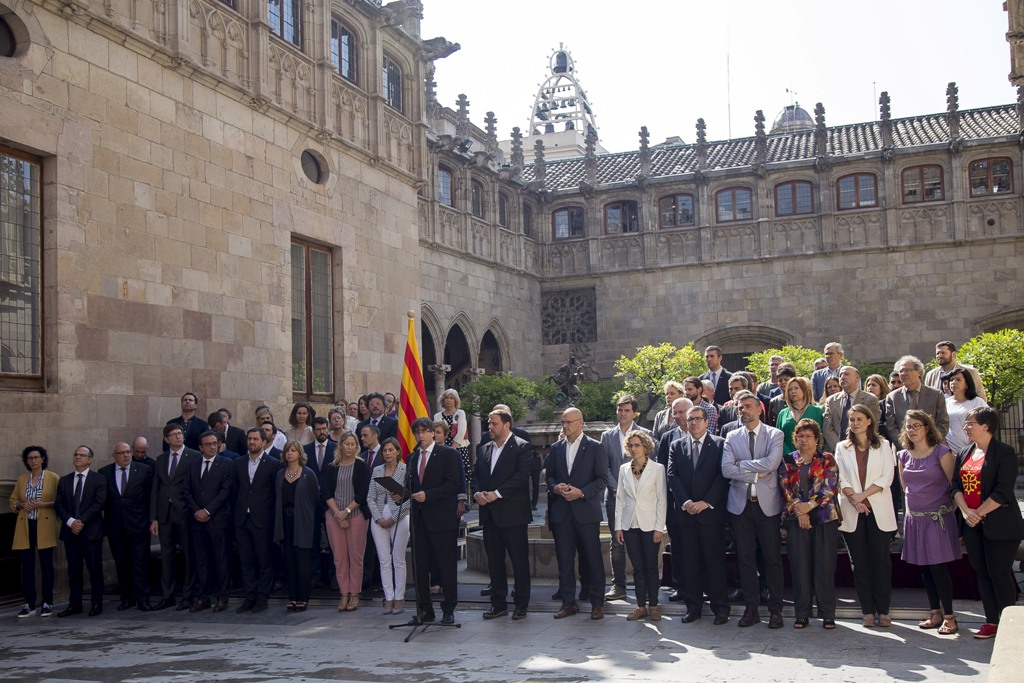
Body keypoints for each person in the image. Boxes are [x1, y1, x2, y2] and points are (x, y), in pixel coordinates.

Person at [951, 406, 1024, 639]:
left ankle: (1009, 623)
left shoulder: (1004, 452)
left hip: (1000, 524)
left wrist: (978, 513)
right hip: (972, 525)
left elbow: (1003, 491)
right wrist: (965, 512)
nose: (966, 427)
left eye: (970, 423)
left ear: (986, 426)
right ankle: (991, 621)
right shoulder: (964, 453)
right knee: (982, 573)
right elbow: (955, 487)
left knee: (999, 573)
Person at [721, 390, 785, 629]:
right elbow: (726, 469)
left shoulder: (775, 434)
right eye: (740, 407)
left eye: (748, 406)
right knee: (745, 560)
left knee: (772, 559)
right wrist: (758, 472)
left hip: (767, 507)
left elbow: (773, 463)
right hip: (740, 507)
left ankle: (776, 609)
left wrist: (742, 467)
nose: (743, 410)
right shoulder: (731, 436)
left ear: (759, 409)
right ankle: (751, 609)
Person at [897, 410, 961, 635]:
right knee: (925, 567)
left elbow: (954, 486)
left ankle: (950, 616)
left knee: (938, 567)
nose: (912, 430)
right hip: (915, 520)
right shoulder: (903, 455)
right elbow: (905, 487)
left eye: (916, 425)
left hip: (937, 520)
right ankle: (935, 612)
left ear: (927, 428)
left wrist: (946, 512)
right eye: (908, 426)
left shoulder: (942, 452)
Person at [835, 404, 897, 627]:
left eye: (859, 419)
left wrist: (863, 496)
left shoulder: (884, 446)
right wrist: (854, 499)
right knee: (859, 563)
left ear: (869, 421)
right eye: (852, 420)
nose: (855, 423)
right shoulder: (842, 447)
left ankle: (884, 610)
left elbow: (887, 477)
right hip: (853, 510)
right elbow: (841, 478)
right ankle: (867, 611)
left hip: (877, 508)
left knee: (881, 562)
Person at [666, 405, 729, 624]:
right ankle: (693, 608)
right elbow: (672, 476)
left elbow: (723, 476)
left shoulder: (720, 444)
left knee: (714, 562)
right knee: (689, 563)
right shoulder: (676, 445)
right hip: (686, 515)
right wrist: (686, 502)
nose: (693, 422)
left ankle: (720, 608)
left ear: (706, 421)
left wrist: (706, 502)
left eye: (698, 419)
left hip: (710, 514)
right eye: (690, 419)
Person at [546, 408, 608, 620]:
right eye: (563, 422)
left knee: (593, 558)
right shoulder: (555, 448)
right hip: (562, 513)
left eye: (569, 422)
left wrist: (581, 492)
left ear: (581, 423)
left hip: (586, 512)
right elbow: (550, 476)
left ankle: (597, 603)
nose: (565, 426)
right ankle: (568, 602)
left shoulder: (595, 447)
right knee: (564, 560)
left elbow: (602, 480)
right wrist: (555, 488)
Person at [474, 409, 535, 620]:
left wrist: (496, 494)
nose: (489, 427)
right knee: (494, 561)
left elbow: (521, 477)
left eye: (494, 424)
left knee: (519, 561)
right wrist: (477, 492)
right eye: (488, 423)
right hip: (490, 516)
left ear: (507, 425)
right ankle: (498, 604)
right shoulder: (483, 449)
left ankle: (521, 604)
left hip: (513, 515)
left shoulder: (521, 446)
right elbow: (476, 475)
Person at [779, 419, 840, 630]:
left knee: (824, 566)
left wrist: (809, 506)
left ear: (817, 439)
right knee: (800, 567)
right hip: (797, 520)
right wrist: (799, 510)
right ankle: (802, 614)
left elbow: (830, 486)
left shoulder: (827, 459)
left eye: (808, 436)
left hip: (824, 518)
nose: (804, 440)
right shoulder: (788, 460)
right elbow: (785, 487)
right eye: (800, 436)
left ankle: (827, 614)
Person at [406, 417, 462, 624]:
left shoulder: (448, 454)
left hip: (442, 519)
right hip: (419, 520)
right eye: (417, 432)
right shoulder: (412, 458)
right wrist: (401, 494)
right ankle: (424, 610)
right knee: (420, 566)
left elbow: (452, 483)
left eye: (424, 431)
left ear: (432, 433)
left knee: (446, 565)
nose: (420, 435)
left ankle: (448, 609)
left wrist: (427, 495)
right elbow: (411, 485)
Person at [600, 394, 652, 601]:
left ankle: (646, 586)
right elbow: (603, 466)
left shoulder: (646, 434)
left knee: (641, 541)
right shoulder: (607, 436)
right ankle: (618, 585)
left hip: (640, 498)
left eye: (627, 410)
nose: (622, 413)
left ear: (635, 413)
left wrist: (633, 489)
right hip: (614, 497)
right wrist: (617, 488)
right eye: (620, 410)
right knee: (617, 542)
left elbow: (650, 466)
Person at [615, 430, 667, 622]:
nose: (634, 448)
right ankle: (640, 606)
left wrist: (659, 527)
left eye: (637, 445)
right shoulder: (623, 469)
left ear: (646, 447)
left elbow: (662, 499)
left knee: (651, 566)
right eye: (631, 445)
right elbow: (620, 499)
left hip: (650, 524)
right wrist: (618, 527)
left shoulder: (657, 468)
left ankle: (653, 605)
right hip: (630, 524)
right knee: (637, 568)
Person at [183, 430, 235, 612]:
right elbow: (186, 491)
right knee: (201, 560)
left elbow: (225, 491)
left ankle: (223, 597)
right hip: (197, 520)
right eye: (208, 444)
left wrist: (208, 510)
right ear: (200, 447)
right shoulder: (192, 464)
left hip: (218, 520)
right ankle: (203, 597)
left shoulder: (227, 464)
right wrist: (196, 510)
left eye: (215, 443)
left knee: (221, 559)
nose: (212, 446)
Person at [150, 424, 200, 611]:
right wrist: (154, 517)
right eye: (174, 434)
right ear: (166, 439)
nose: (178, 437)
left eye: (180, 433)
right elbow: (156, 488)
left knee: (188, 555)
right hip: (165, 514)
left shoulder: (194, 456)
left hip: (185, 512)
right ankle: (167, 595)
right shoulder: (161, 459)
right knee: (166, 555)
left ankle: (188, 595)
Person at [100, 442, 154, 611]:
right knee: (121, 563)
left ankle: (142, 598)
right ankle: (126, 597)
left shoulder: (143, 470)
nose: (126, 455)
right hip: (116, 526)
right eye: (121, 453)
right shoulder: (104, 473)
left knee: (140, 563)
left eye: (128, 452)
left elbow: (150, 497)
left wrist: (151, 520)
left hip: (138, 525)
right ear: (114, 455)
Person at [55, 445, 108, 617]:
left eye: (82, 455)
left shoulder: (98, 479)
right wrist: (71, 522)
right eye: (76, 454)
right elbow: (59, 504)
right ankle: (74, 604)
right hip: (71, 533)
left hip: (91, 532)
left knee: (94, 569)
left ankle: (96, 603)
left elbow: (99, 504)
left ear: (90, 459)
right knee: (73, 571)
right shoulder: (64, 480)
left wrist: (81, 521)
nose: (77, 457)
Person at [321, 430, 371, 612]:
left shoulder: (361, 466)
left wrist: (347, 511)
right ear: (340, 445)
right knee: (339, 558)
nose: (349, 447)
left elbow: (363, 493)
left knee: (355, 556)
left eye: (353, 444)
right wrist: (337, 513)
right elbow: (326, 491)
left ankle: (355, 594)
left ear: (356, 447)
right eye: (346, 443)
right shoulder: (331, 466)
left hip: (356, 515)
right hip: (334, 516)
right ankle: (344, 593)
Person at [233, 427, 280, 614]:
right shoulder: (238, 463)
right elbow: (235, 491)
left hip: (263, 519)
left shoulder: (273, 464)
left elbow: (275, 494)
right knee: (246, 560)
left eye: (255, 439)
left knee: (263, 559)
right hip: (242, 518)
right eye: (249, 439)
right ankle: (249, 596)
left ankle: (263, 596)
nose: (251, 442)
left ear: (263, 442)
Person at [10, 446, 59, 618]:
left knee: (46, 565)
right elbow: (13, 501)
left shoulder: (53, 478)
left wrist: (42, 504)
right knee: (27, 566)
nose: (33, 461)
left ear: (43, 459)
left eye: (36, 457)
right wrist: (22, 505)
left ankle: (47, 602)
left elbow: (59, 501)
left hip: (44, 525)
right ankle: (29, 603)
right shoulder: (22, 479)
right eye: (30, 458)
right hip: (26, 525)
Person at [275, 440, 320, 612]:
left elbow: (315, 499)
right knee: (290, 561)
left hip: (303, 521)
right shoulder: (280, 474)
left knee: (303, 560)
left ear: (300, 453)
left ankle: (303, 597)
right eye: (287, 451)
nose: (290, 453)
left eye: (293, 450)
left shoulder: (308, 474)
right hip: (285, 521)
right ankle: (292, 596)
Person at [655, 396, 692, 601]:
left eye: (681, 412)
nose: (677, 416)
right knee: (677, 544)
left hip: (699, 501)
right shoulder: (667, 438)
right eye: (674, 412)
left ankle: (700, 583)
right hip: (674, 501)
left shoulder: (706, 434)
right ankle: (680, 585)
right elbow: (662, 470)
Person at [367, 437, 410, 614]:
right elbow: (370, 497)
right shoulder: (377, 470)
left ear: (398, 452)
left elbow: (409, 498)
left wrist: (393, 517)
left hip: (399, 516)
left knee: (398, 559)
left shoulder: (405, 469)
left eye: (391, 450)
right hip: (378, 517)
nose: (387, 453)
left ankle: (399, 598)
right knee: (384, 560)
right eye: (385, 450)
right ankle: (389, 597)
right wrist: (378, 518)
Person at [885, 355, 950, 440]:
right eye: (901, 371)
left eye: (907, 370)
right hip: (903, 448)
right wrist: (905, 446)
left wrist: (930, 444)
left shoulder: (936, 394)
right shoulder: (892, 397)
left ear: (919, 372)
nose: (904, 374)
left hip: (932, 447)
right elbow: (891, 427)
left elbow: (943, 423)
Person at [305, 416, 336, 588]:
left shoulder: (336, 448)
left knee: (333, 542)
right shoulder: (306, 450)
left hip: (332, 501)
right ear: (313, 431)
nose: (322, 432)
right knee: (313, 540)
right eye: (318, 429)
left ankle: (333, 577)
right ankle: (315, 576)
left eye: (324, 428)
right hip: (311, 503)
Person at [823, 367, 881, 452]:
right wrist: (840, 448)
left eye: (846, 374)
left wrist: (854, 448)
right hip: (835, 451)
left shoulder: (870, 399)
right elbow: (827, 429)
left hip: (860, 449)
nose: (842, 377)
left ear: (857, 378)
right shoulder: (830, 400)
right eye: (840, 375)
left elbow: (872, 426)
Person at [943, 367, 987, 454]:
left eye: (958, 380)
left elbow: (987, 424)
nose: (954, 382)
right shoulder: (945, 403)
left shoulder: (977, 402)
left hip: (973, 451)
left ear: (967, 384)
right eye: (951, 380)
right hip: (949, 452)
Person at [775, 376, 823, 455]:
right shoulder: (783, 413)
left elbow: (821, 436)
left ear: (804, 390)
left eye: (796, 388)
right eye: (790, 389)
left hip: (811, 457)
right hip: (788, 459)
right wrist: (790, 455)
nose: (793, 391)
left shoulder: (817, 411)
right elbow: (778, 438)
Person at [434, 388, 470, 490]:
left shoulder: (460, 413)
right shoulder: (437, 416)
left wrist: (452, 449)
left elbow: (461, 432)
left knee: (460, 474)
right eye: (446, 398)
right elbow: (436, 432)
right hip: (442, 449)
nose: (448, 400)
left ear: (455, 401)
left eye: (451, 398)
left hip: (458, 448)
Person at [864, 374, 892, 441]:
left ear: (882, 388)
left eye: (873, 385)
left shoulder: (887, 404)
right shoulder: (864, 404)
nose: (870, 388)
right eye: (868, 385)